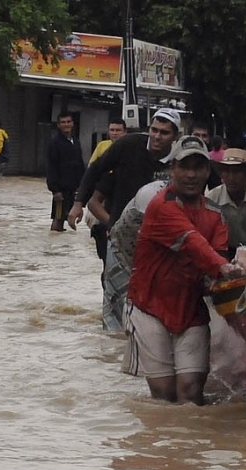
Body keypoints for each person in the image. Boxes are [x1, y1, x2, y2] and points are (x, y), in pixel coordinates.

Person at [126, 135, 244, 404]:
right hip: (148, 305)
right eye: (184, 167)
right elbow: (195, 243)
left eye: (198, 167)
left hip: (190, 308)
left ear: (207, 172)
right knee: (164, 393)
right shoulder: (160, 206)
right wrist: (223, 267)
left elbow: (217, 256)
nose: (191, 174)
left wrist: (227, 271)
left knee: (191, 393)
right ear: (172, 170)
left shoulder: (216, 214)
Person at [66, 108, 180, 333]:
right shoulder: (128, 146)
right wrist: (78, 203)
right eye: (154, 130)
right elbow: (96, 169)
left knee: (159, 296)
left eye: (164, 133)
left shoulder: (182, 159)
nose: (157, 137)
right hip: (121, 234)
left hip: (164, 240)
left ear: (175, 136)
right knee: (115, 295)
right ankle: (112, 345)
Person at [205, 148, 246, 251]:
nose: (231, 177)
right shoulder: (212, 198)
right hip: (224, 252)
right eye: (226, 171)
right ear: (221, 174)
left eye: (237, 171)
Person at [86, 118, 127, 263]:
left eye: (118, 130)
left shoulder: (130, 149)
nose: (114, 133)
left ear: (125, 132)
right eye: (112, 130)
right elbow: (91, 170)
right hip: (101, 197)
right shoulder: (102, 146)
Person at [47, 112, 85, 232]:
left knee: (68, 215)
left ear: (73, 123)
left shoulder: (75, 141)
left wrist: (82, 184)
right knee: (58, 218)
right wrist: (55, 190)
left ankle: (63, 247)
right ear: (58, 125)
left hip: (74, 187)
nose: (66, 124)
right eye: (63, 122)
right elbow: (51, 166)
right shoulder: (55, 143)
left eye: (68, 122)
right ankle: (54, 246)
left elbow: (80, 163)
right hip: (61, 189)